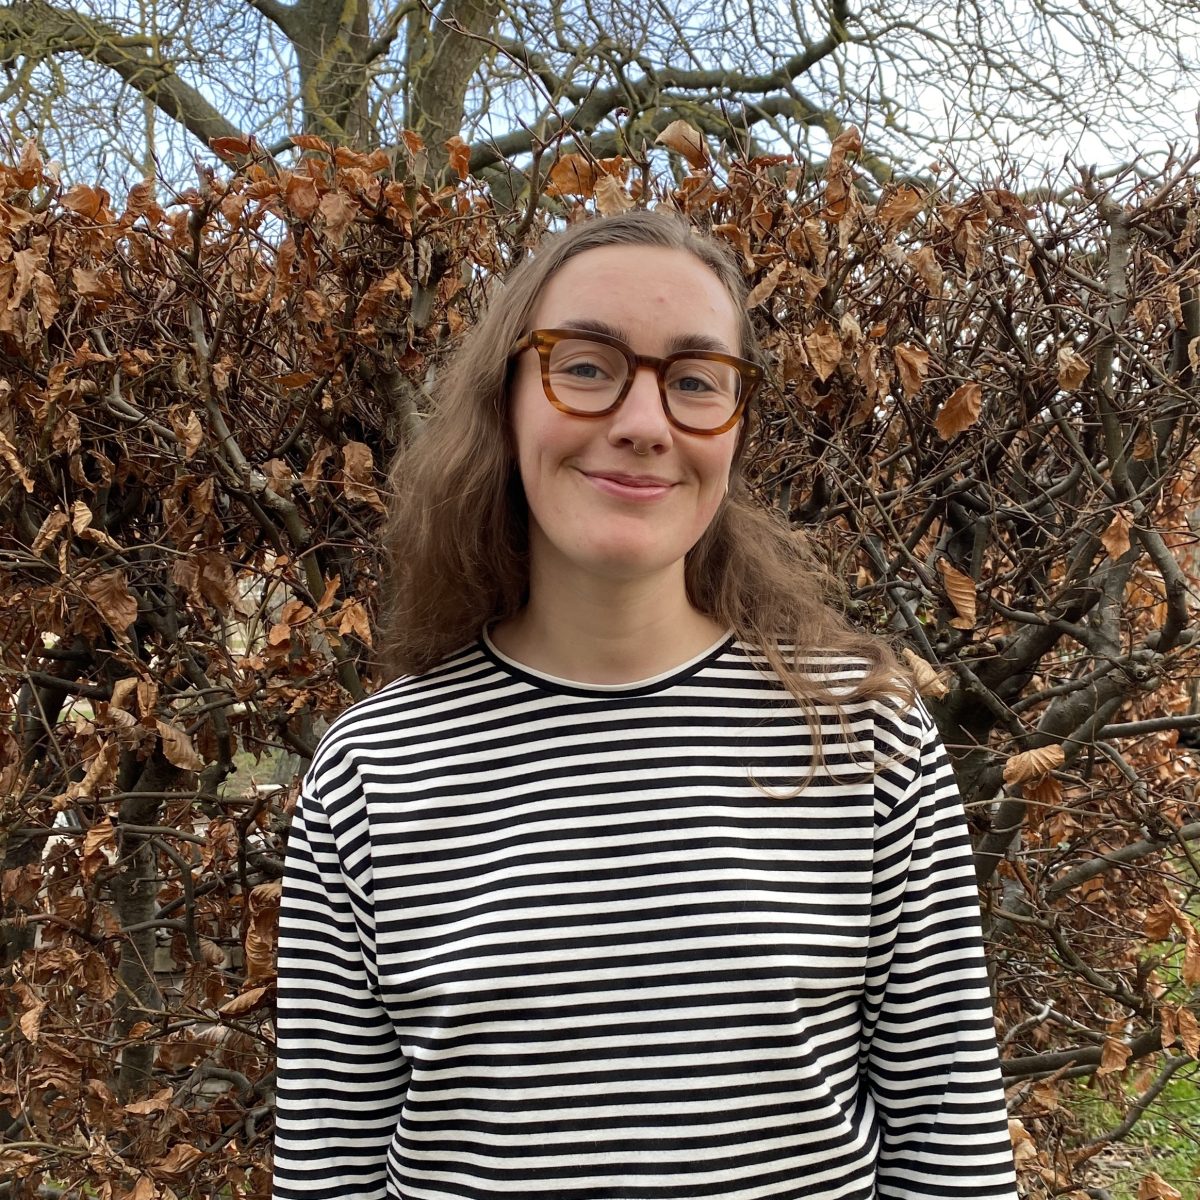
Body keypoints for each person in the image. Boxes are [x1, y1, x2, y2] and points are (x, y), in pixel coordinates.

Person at [271, 210, 1018, 1200]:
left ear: (735, 428)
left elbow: (950, 1148)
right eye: (586, 366)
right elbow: (329, 1171)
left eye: (696, 380)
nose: (644, 422)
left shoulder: (864, 737)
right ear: (506, 401)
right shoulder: (373, 773)